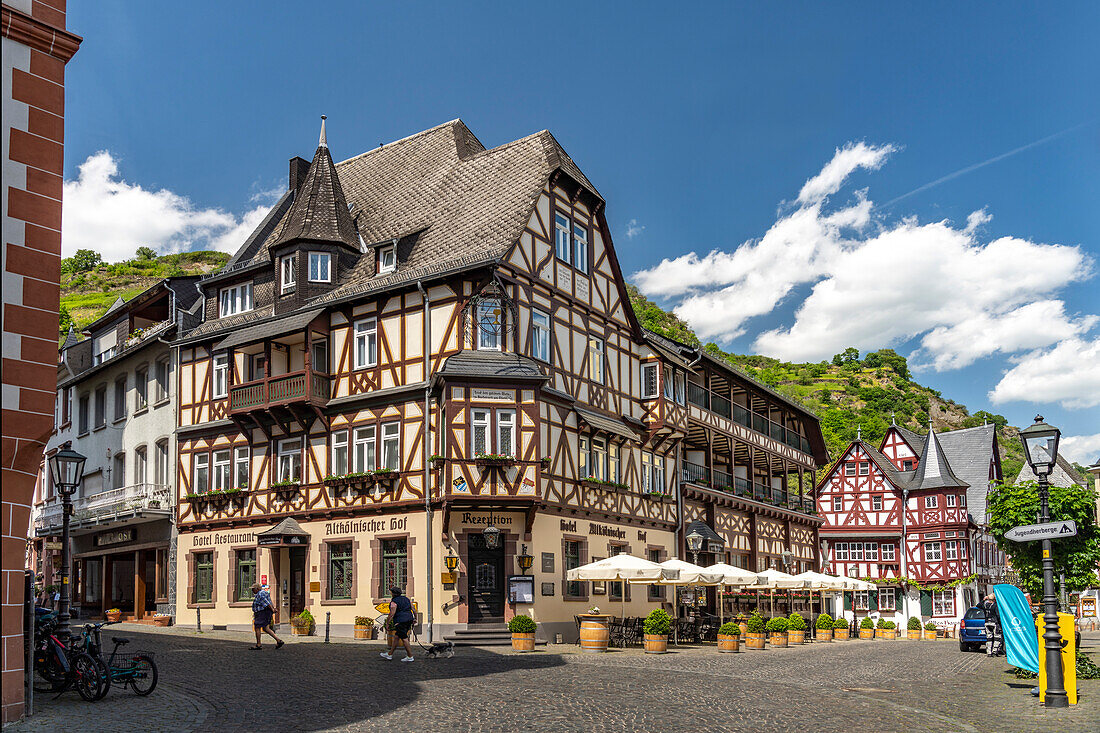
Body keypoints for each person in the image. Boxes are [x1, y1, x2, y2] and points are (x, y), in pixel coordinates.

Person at [380, 586, 415, 662]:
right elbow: (413, 609)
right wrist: (415, 618)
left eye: (391, 592)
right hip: (409, 619)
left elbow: (392, 613)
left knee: (404, 638)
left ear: (393, 593)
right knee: (396, 637)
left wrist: (387, 623)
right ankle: (390, 654)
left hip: (400, 621)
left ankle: (410, 656)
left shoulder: (394, 601)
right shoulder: (407, 599)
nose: (390, 594)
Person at [250, 582, 284, 650]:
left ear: (257, 589)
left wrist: (272, 609)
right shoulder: (263, 592)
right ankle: (278, 640)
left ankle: (258, 644)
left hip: (262, 612)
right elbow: (269, 601)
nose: (252, 591)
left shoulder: (261, 593)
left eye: (253, 589)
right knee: (266, 628)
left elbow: (266, 602)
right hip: (263, 612)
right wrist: (273, 609)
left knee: (257, 627)